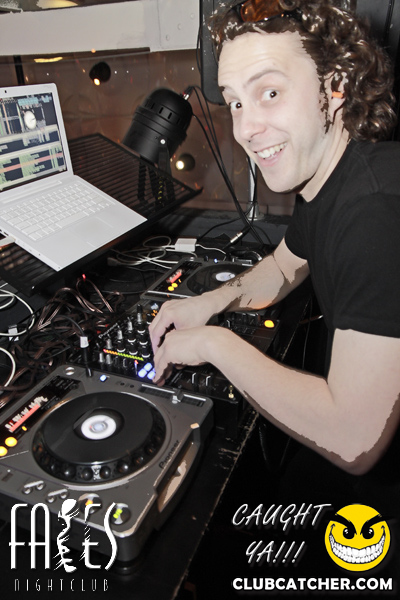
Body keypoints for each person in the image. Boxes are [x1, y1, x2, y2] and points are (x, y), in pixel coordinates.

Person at [149, 0, 400, 477]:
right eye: (236, 102)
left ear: (335, 86)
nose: (245, 129)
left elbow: (354, 440)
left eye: (269, 92)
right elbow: (286, 265)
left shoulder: (375, 212)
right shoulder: (329, 178)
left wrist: (214, 345)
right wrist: (210, 302)